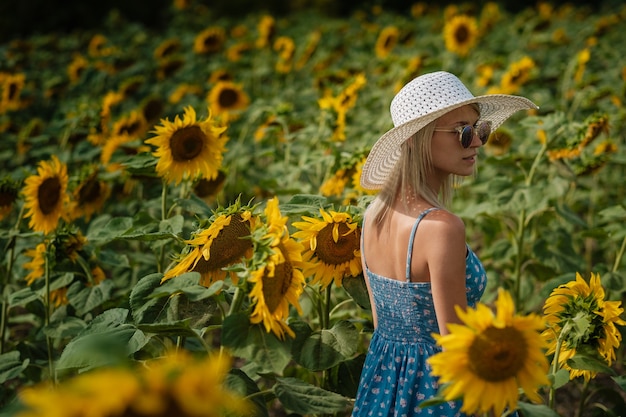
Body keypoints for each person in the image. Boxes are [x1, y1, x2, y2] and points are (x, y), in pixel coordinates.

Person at [352, 71, 537, 416]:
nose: (478, 143)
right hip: (441, 391)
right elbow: (459, 346)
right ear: (417, 139)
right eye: (463, 132)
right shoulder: (442, 229)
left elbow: (383, 326)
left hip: (384, 385)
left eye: (479, 129)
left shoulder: (373, 216)